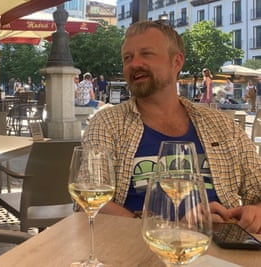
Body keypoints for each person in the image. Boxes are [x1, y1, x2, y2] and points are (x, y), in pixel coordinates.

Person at [82, 20, 261, 234]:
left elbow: (257, 187)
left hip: (222, 247)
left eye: (146, 54)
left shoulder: (221, 125)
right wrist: (167, 228)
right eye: (127, 58)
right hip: (137, 247)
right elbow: (90, 200)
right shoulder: (107, 124)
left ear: (176, 62)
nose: (134, 63)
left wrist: (256, 212)